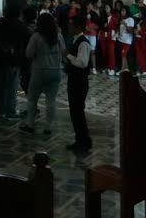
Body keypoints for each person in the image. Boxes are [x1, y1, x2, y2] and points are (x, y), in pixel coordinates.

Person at [20, 12, 66, 135]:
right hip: (56, 71)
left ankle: (30, 124)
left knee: (32, 98)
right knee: (51, 100)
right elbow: (64, 51)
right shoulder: (58, 36)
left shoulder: (36, 36)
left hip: (39, 71)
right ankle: (48, 127)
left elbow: (28, 54)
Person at [65, 15, 95, 153]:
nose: (69, 27)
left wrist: (68, 56)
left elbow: (82, 63)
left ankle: (83, 141)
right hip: (74, 80)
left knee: (78, 112)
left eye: (72, 25)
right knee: (75, 112)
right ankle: (80, 140)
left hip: (79, 82)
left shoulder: (83, 43)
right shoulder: (76, 40)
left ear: (77, 27)